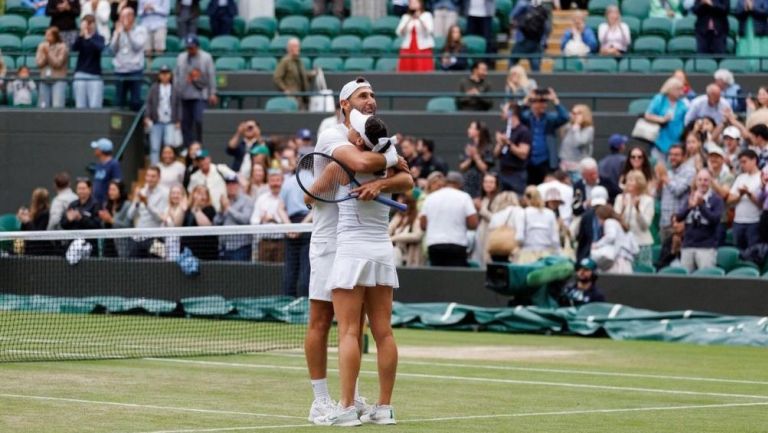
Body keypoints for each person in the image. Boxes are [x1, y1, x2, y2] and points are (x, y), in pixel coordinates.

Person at [303, 77, 409, 425]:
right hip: (330, 240)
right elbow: (362, 167)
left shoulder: (376, 142)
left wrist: (382, 180)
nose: (371, 100)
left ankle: (350, 400)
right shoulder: (334, 137)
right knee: (322, 321)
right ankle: (322, 400)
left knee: (357, 328)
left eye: (374, 95)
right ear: (344, 104)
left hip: (356, 243)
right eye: (363, 95)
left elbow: (402, 177)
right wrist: (389, 163)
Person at [420, 171, 478, 267]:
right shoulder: (464, 197)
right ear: (460, 184)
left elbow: (422, 225)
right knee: (456, 279)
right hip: (457, 244)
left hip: (434, 244)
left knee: (437, 279)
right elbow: (473, 224)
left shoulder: (430, 198)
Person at [676, 168, 724, 272]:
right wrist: (689, 207)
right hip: (688, 245)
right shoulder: (690, 197)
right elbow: (679, 217)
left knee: (706, 280)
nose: (703, 183)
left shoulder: (716, 200)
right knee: (685, 281)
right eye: (700, 180)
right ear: (696, 181)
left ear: (711, 181)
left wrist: (701, 205)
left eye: (706, 180)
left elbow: (715, 220)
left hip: (706, 247)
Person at [520, 87, 570, 184]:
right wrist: (527, 99)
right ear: (533, 104)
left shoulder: (550, 118)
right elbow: (517, 114)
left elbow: (564, 117)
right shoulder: (527, 117)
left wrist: (555, 100)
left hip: (546, 161)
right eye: (539, 102)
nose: (543, 105)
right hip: (529, 161)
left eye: (545, 102)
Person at [175, 34, 217, 146]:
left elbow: (211, 75)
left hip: (200, 94)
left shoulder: (206, 57)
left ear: (197, 46)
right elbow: (177, 75)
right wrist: (177, 90)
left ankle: (200, 144)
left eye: (192, 47)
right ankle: (188, 147)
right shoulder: (181, 57)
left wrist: (212, 93)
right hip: (184, 94)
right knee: (185, 123)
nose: (190, 50)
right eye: (188, 47)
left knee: (200, 120)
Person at [280, 166, 312, 297]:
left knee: (290, 269)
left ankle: (287, 303)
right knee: (306, 268)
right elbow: (316, 209)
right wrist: (301, 227)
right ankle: (305, 305)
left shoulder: (288, 181)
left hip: (292, 226)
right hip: (308, 225)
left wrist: (289, 227)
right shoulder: (316, 180)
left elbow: (280, 209)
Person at [614, 170, 655, 267]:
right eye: (628, 180)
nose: (628, 183)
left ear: (640, 183)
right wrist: (623, 209)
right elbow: (615, 222)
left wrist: (637, 210)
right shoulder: (620, 198)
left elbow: (645, 226)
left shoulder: (648, 200)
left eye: (632, 180)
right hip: (624, 244)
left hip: (642, 243)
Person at [111, 7, 148, 111]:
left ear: (132, 17)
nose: (122, 19)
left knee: (135, 101)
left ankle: (137, 126)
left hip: (134, 70)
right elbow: (113, 49)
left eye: (125, 16)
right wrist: (117, 35)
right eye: (121, 16)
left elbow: (137, 46)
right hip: (120, 70)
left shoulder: (141, 29)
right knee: (118, 102)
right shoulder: (118, 30)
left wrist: (128, 32)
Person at [249, 169, 289, 262]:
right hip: (264, 243)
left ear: (282, 181)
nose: (275, 184)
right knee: (263, 274)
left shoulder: (287, 198)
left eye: (278, 180)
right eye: (272, 181)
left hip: (282, 243)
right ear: (268, 182)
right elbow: (253, 221)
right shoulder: (261, 199)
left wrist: (274, 220)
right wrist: (261, 219)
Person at [126, 166, 168, 257]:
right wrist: (136, 202)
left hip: (155, 238)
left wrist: (147, 203)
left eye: (153, 176)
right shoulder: (141, 191)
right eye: (148, 176)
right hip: (137, 237)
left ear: (159, 178)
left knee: (154, 269)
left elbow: (160, 218)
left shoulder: (164, 193)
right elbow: (130, 215)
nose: (150, 179)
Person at [657, 144, 696, 241]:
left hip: (679, 224)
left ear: (684, 156)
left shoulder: (689, 171)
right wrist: (659, 182)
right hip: (665, 222)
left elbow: (678, 191)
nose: (672, 158)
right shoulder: (668, 172)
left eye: (676, 155)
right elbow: (657, 195)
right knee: (664, 255)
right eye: (671, 155)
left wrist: (665, 178)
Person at [145, 65, 182, 165]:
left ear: (170, 75)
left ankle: (169, 167)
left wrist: (178, 120)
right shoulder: (154, 88)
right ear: (159, 75)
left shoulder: (175, 88)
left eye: (167, 74)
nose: (165, 76)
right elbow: (149, 103)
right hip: (157, 121)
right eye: (162, 74)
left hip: (170, 121)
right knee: (154, 147)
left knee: (169, 147)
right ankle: (154, 167)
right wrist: (147, 116)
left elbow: (179, 105)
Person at [727, 149, 763, 250]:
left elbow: (762, 204)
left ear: (754, 160)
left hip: (754, 222)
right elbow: (729, 200)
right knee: (737, 252)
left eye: (744, 161)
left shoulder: (762, 177)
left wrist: (749, 194)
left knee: (753, 253)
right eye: (741, 162)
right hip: (738, 221)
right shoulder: (740, 177)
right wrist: (740, 195)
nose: (742, 165)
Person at [644, 77, 688, 160]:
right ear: (671, 89)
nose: (681, 92)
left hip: (676, 141)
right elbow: (648, 115)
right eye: (679, 89)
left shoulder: (683, 104)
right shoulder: (659, 99)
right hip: (659, 141)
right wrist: (662, 119)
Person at [214, 174, 254, 261]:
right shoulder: (224, 200)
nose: (231, 187)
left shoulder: (247, 200)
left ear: (238, 185)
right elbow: (216, 222)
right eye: (228, 184)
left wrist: (228, 208)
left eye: (233, 184)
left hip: (240, 247)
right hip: (224, 247)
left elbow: (245, 219)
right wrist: (221, 209)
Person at [515, 186, 560, 264]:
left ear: (526, 198)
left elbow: (520, 237)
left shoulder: (522, 213)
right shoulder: (550, 213)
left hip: (527, 254)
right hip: (546, 255)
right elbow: (555, 239)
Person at [495, 103, 531, 195]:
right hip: (503, 172)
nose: (501, 113)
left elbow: (523, 154)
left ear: (511, 113)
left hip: (517, 174)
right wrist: (500, 143)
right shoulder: (504, 130)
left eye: (504, 111)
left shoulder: (523, 131)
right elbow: (495, 154)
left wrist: (508, 143)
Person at [591, 204, 636, 274]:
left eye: (598, 218)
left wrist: (596, 245)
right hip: (625, 262)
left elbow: (611, 236)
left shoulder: (609, 222)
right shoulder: (618, 223)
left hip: (618, 263)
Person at [72, 15, 105, 109]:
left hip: (95, 75)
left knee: (95, 106)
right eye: (87, 23)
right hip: (80, 74)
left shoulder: (99, 38)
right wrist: (81, 35)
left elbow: (100, 48)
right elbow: (74, 48)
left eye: (91, 23)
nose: (89, 26)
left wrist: (89, 37)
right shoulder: (80, 38)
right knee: (80, 105)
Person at [60, 178, 101, 252]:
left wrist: (81, 218)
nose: (81, 191)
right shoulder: (72, 204)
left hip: (89, 246)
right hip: (72, 246)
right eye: (79, 188)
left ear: (89, 189)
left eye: (83, 188)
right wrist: (68, 220)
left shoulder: (96, 205)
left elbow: (97, 225)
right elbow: (63, 224)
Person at [273, 38, 314, 111]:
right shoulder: (285, 61)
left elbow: (302, 75)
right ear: (289, 48)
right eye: (295, 46)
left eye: (298, 46)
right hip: (292, 96)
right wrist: (285, 90)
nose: (298, 48)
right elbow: (277, 77)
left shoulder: (299, 61)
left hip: (302, 95)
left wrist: (312, 74)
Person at [181, 184, 218, 260]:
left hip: (205, 253)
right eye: (199, 193)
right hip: (188, 252)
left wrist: (196, 209)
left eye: (204, 194)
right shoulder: (188, 211)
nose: (201, 197)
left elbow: (206, 227)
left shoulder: (210, 209)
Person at [396, 0, 434, 72]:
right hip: (408, 48)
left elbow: (430, 30)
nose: (412, 4)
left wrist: (420, 19)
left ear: (420, 4)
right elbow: (399, 32)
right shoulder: (405, 17)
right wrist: (409, 20)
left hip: (423, 48)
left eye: (415, 3)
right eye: (411, 3)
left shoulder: (427, 15)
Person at [459, 120, 495, 198]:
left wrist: (476, 156)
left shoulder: (487, 147)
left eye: (471, 128)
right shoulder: (468, 146)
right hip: (467, 182)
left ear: (478, 131)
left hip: (480, 183)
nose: (468, 130)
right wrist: (470, 158)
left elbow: (484, 168)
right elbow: (462, 167)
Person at [509, 0, 548, 71]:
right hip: (534, 42)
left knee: (513, 59)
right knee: (535, 65)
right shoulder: (542, 9)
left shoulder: (522, 4)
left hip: (526, 41)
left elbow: (511, 18)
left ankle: (510, 77)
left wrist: (516, 24)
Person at [36, 26, 69, 109]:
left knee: (57, 106)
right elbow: (39, 63)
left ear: (55, 36)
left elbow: (58, 63)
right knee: (42, 106)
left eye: (49, 35)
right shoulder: (41, 46)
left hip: (58, 79)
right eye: (46, 35)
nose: (46, 37)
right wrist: (46, 56)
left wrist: (48, 54)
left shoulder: (63, 47)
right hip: (44, 79)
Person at [573, 185, 609, 262]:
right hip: (588, 255)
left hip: (606, 256)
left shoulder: (610, 216)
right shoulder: (586, 217)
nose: (598, 208)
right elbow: (581, 239)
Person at [559, 104, 594, 180]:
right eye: (573, 113)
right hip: (564, 167)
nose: (574, 115)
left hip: (578, 168)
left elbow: (579, 143)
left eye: (578, 113)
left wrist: (576, 126)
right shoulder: (569, 126)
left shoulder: (588, 129)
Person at [487, 191, 524, 262]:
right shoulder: (519, 211)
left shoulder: (496, 215)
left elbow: (491, 230)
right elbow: (520, 233)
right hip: (512, 249)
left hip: (496, 248)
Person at [388, 192, 424, 267]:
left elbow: (417, 236)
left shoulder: (417, 216)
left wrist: (394, 238)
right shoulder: (398, 217)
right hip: (396, 253)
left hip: (411, 256)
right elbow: (388, 231)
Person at [98, 180, 132, 256]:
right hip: (108, 245)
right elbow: (104, 226)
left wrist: (111, 220)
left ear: (120, 191)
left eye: (114, 190)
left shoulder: (127, 205)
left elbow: (127, 226)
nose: (111, 192)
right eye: (110, 189)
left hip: (122, 246)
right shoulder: (106, 204)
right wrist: (103, 219)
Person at [472, 173, 499, 266]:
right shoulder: (482, 198)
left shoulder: (498, 199)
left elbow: (496, 219)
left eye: (491, 182)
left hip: (491, 234)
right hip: (480, 233)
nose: (488, 184)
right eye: (486, 182)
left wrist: (481, 209)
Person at [18, 188, 51, 256]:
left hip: (40, 251)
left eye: (34, 197)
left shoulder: (45, 214)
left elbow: (38, 234)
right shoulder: (33, 212)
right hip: (29, 248)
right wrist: (24, 220)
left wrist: (27, 221)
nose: (32, 199)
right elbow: (23, 231)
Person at [463, 0, 496, 67]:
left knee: (487, 40)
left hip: (486, 14)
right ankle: (469, 62)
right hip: (471, 13)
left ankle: (487, 63)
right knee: (469, 40)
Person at [90, 138, 122, 206]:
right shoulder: (99, 164)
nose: (95, 150)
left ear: (101, 150)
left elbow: (117, 184)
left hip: (106, 204)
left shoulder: (114, 164)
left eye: (96, 148)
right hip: (96, 202)